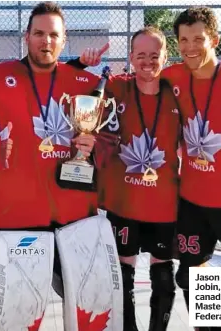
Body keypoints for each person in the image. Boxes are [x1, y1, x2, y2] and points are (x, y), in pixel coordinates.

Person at [0, 0, 118, 310]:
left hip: (74, 218)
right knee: (17, 314)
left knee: (88, 308)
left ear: (64, 39)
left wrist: (95, 146)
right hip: (12, 218)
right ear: (26, 37)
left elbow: (113, 136)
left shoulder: (86, 84)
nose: (47, 41)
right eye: (39, 33)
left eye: (54, 35)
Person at [159, 8, 221, 329]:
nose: (190, 47)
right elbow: (136, 81)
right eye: (183, 40)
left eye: (198, 39)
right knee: (189, 274)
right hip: (192, 199)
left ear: (214, 40)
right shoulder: (172, 76)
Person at [78, 28, 180, 331]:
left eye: (154, 55)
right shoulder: (115, 88)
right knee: (123, 273)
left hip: (164, 203)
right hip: (123, 201)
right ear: (131, 58)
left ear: (165, 56)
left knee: (164, 274)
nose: (147, 62)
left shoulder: (177, 92)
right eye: (140, 56)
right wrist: (82, 64)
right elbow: (72, 87)